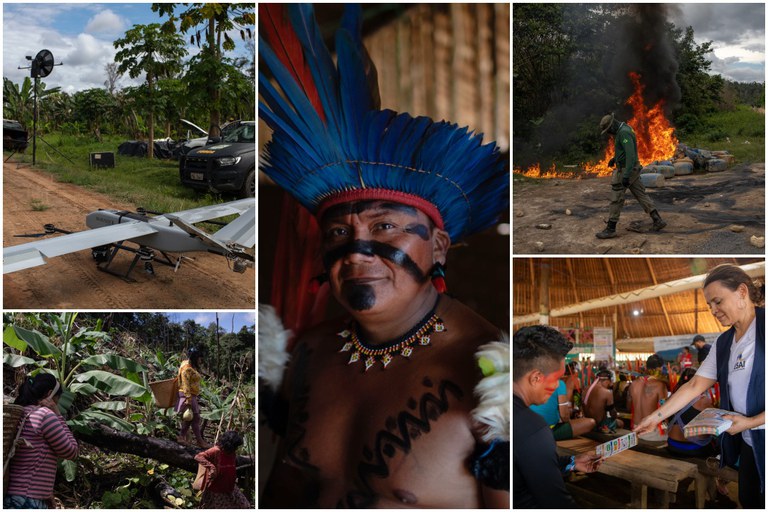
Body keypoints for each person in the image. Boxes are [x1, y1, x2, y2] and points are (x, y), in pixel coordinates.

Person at [258, 4, 510, 508]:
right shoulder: (307, 352)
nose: (356, 251)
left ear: (437, 246)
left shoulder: (489, 377)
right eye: (338, 232)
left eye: (385, 226)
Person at [635, 264, 764, 508]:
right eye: (709, 305)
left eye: (718, 301)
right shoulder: (725, 342)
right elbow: (694, 385)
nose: (713, 311)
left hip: (756, 431)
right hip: (749, 442)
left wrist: (751, 421)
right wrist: (656, 417)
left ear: (742, 292)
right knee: (751, 501)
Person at [512, 326, 602, 507]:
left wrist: (571, 463)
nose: (557, 386)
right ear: (536, 378)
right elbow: (557, 502)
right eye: (557, 378)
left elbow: (525, 468)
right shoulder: (534, 429)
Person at [4, 374, 79, 509]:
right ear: (50, 394)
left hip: (10, 497)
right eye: (58, 399)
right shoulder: (44, 415)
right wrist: (57, 414)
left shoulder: (19, 413)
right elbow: (71, 451)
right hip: (28, 499)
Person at [596, 113, 666, 239]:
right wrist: (615, 158)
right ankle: (657, 220)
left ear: (612, 125)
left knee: (616, 197)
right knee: (641, 194)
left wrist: (626, 175)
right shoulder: (623, 130)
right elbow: (624, 151)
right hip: (630, 169)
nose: (608, 133)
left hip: (627, 170)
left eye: (608, 130)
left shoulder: (624, 133)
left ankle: (611, 228)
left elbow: (631, 155)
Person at [665, 368, 717, 457]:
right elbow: (715, 422)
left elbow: (666, 421)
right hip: (694, 449)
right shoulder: (703, 401)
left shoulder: (671, 399)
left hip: (672, 444)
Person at [194, 431, 251, 508]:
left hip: (230, 487)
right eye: (235, 446)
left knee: (245, 505)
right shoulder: (216, 451)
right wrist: (211, 466)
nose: (236, 448)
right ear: (229, 444)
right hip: (217, 489)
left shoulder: (232, 453)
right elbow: (198, 457)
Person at [530, 375, 595, 440]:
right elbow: (564, 416)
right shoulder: (559, 383)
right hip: (546, 431)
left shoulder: (531, 383)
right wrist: (570, 420)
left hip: (527, 429)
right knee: (590, 422)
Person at [627, 353, 668, 437]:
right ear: (659, 368)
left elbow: (628, 407)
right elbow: (664, 411)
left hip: (636, 428)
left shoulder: (633, 384)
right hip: (652, 430)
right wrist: (665, 429)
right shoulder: (660, 385)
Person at [176, 346, 210, 448]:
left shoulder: (187, 365)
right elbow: (185, 384)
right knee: (196, 418)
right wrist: (188, 399)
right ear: (195, 357)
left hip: (191, 395)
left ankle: (181, 437)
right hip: (188, 395)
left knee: (190, 419)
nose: (200, 360)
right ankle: (200, 441)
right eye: (199, 357)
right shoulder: (187, 369)